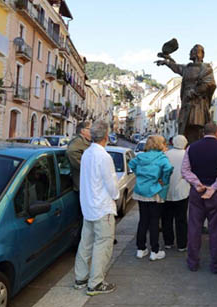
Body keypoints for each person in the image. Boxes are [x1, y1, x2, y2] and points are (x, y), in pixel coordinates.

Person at [74, 120, 119, 296]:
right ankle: (96, 283)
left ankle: (81, 278)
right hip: (102, 207)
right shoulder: (104, 157)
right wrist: (116, 196)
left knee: (85, 244)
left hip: (88, 206)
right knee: (103, 245)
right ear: (106, 137)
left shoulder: (86, 154)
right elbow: (112, 185)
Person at [181, 122, 217, 273]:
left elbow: (185, 170)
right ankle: (216, 265)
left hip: (197, 192)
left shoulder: (191, 147)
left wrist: (197, 184)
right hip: (216, 194)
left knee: (194, 228)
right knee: (216, 230)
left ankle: (193, 263)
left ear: (204, 133)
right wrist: (214, 187)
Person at [156, 44, 217, 144]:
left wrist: (194, 92)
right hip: (186, 102)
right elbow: (177, 67)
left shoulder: (206, 68)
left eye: (192, 51)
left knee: (196, 127)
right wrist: (167, 61)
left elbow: (209, 83)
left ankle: (196, 150)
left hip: (198, 104)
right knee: (184, 128)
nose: (190, 53)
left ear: (198, 54)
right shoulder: (188, 68)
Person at [129, 135, 173, 261]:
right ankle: (155, 251)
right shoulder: (161, 158)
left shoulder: (141, 156)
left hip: (141, 191)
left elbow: (131, 164)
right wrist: (162, 181)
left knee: (143, 220)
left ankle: (140, 249)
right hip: (154, 191)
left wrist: (140, 175)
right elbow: (168, 169)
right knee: (154, 221)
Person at [163, 135, 190, 252]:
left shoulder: (166, 154)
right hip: (182, 190)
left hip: (167, 190)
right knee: (181, 219)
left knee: (167, 218)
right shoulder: (187, 155)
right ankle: (182, 244)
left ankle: (168, 242)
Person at [66, 121, 91, 193]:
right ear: (83, 131)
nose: (92, 131)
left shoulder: (86, 141)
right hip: (82, 186)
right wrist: (86, 168)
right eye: (90, 129)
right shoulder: (78, 141)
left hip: (87, 185)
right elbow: (71, 152)